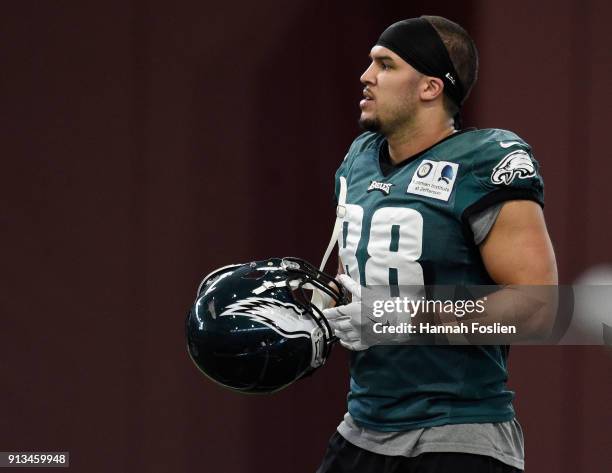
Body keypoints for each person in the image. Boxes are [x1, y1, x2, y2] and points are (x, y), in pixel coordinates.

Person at [316, 15, 558, 473]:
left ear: (430, 87)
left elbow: (539, 309)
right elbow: (370, 280)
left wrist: (396, 318)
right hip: (363, 426)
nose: (366, 77)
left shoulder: (484, 162)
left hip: (458, 431)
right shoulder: (359, 160)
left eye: (386, 65)